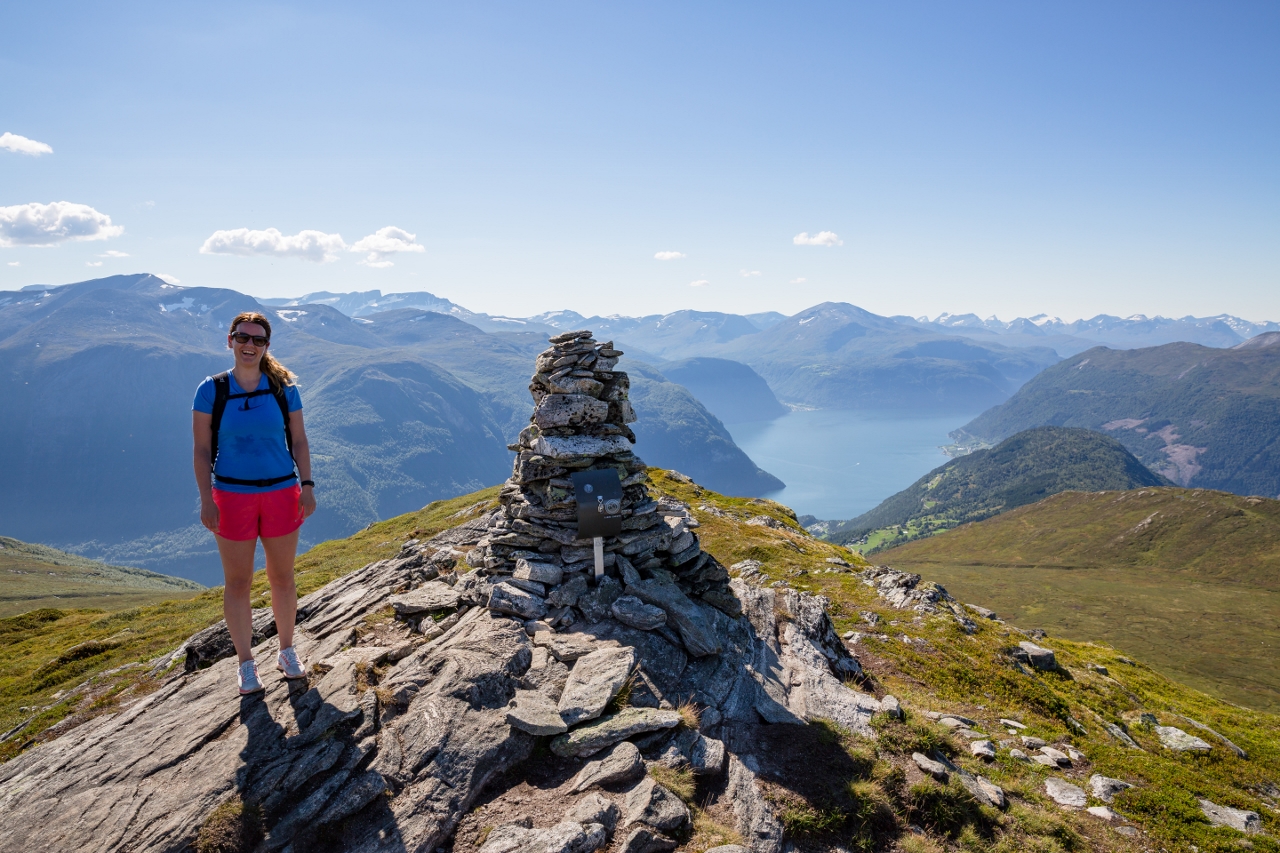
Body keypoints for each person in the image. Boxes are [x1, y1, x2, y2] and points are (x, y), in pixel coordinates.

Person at [192, 311, 317, 695]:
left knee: (282, 577)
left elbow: (299, 441)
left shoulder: (283, 389)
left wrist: (307, 485)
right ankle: (246, 664)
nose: (250, 345)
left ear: (266, 346)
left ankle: (287, 651)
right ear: (230, 340)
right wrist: (206, 499)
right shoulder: (211, 390)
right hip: (231, 497)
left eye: (258, 340)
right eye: (243, 337)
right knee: (238, 582)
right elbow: (201, 450)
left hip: (281, 493)